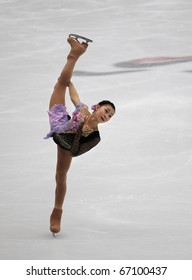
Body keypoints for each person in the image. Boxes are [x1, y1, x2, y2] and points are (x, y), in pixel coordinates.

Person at [45, 34, 116, 236]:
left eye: (110, 116)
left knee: (61, 175)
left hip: (67, 144)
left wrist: (77, 134)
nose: (107, 115)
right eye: (106, 110)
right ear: (98, 107)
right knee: (60, 82)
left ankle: (57, 211)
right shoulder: (84, 110)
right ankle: (75, 53)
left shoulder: (95, 136)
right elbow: (74, 96)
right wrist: (69, 82)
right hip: (59, 122)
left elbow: (77, 149)